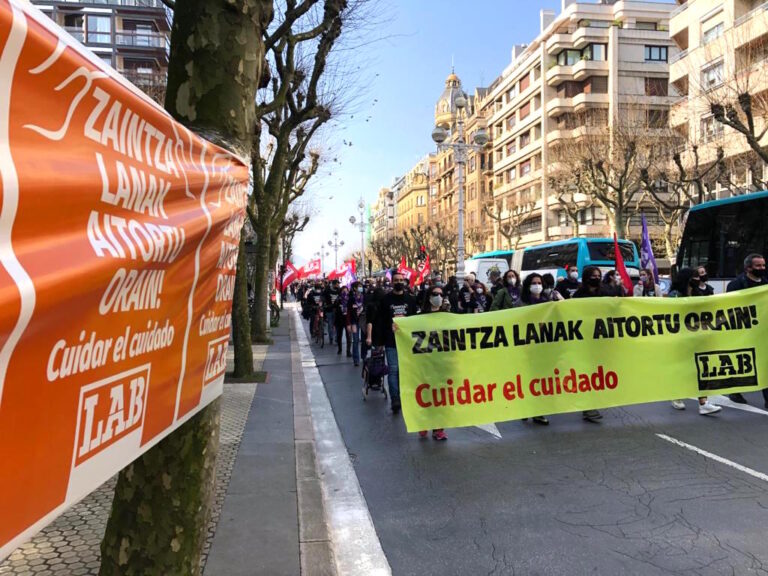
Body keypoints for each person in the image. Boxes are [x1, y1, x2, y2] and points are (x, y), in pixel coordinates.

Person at [666, 267, 722, 415]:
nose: (698, 279)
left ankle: (703, 403)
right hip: (681, 338)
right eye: (695, 276)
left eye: (698, 276)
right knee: (683, 368)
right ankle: (676, 395)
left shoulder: (699, 293)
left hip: (698, 336)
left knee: (702, 368)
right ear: (687, 279)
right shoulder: (675, 295)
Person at [366, 271, 418, 414]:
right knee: (394, 370)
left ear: (404, 282)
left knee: (406, 371)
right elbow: (381, 322)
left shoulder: (411, 300)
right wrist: (380, 341)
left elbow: (415, 320)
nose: (399, 282)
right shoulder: (386, 300)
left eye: (401, 280)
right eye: (396, 280)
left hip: (408, 342)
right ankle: (395, 398)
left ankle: (406, 396)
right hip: (391, 341)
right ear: (392, 282)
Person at [726, 254, 768, 407]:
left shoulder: (765, 284)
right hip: (743, 330)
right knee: (744, 361)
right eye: (758, 266)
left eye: (763, 265)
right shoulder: (736, 284)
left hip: (762, 331)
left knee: (765, 362)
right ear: (748, 268)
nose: (762, 269)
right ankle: (735, 390)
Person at [572, 265, 613, 422]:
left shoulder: (605, 292)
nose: (596, 278)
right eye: (593, 276)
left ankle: (591, 404)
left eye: (598, 275)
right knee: (586, 372)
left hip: (601, 339)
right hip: (585, 339)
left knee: (598, 372)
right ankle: (588, 407)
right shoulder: (579, 295)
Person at [518, 273, 554, 426]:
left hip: (543, 347)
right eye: (534, 282)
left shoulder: (548, 302)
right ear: (528, 285)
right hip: (527, 346)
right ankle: (527, 408)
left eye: (539, 282)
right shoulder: (521, 303)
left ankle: (538, 412)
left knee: (541, 380)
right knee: (528, 379)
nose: (537, 285)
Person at [417, 285, 450, 441]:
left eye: (441, 294)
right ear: (429, 297)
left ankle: (438, 429)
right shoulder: (419, 316)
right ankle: (423, 423)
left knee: (441, 396)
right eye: (435, 294)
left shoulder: (447, 315)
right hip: (424, 361)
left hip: (442, 361)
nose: (439, 296)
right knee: (425, 394)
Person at [348, 282, 365, 366]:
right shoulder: (351, 299)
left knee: (364, 340)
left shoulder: (364, 297)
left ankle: (363, 356)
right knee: (355, 341)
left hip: (363, 321)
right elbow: (349, 312)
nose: (360, 288)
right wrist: (349, 324)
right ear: (354, 288)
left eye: (361, 287)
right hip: (354, 322)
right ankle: (356, 359)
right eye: (359, 287)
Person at [335, 285, 352, 357]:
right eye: (343, 291)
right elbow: (336, 309)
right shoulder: (338, 299)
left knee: (348, 336)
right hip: (340, 319)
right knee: (339, 335)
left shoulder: (350, 299)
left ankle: (348, 351)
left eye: (346, 290)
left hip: (348, 319)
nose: (345, 292)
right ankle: (340, 349)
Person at [323, 279, 341, 346]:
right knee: (330, 324)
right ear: (333, 284)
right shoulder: (327, 290)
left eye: (338, 284)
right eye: (337, 284)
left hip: (337, 310)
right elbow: (323, 296)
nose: (338, 285)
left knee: (337, 325)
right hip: (329, 309)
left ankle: (336, 338)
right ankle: (331, 338)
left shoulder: (339, 290)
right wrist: (324, 303)